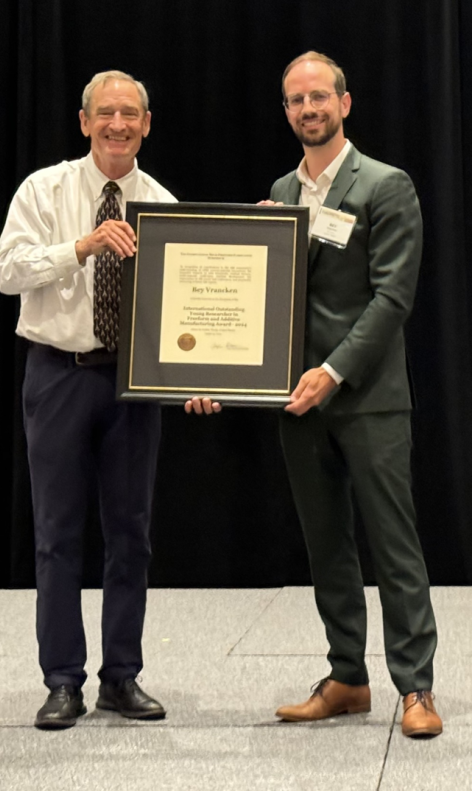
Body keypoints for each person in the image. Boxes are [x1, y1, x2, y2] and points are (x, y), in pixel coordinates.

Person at [187, 51, 441, 738]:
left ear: (345, 103)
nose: (309, 109)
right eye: (296, 100)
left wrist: (332, 370)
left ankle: (415, 687)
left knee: (394, 545)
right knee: (327, 544)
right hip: (295, 402)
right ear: (286, 110)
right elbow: (269, 301)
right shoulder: (283, 189)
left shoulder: (386, 186)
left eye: (320, 97)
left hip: (366, 396)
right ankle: (348, 678)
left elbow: (393, 296)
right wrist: (218, 365)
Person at [0, 70, 171, 730]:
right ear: (84, 120)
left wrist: (203, 371)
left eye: (130, 113)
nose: (118, 124)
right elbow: (4, 270)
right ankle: (62, 679)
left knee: (132, 534)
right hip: (58, 373)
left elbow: (183, 308)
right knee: (57, 535)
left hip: (133, 382)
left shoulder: (162, 203)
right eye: (106, 113)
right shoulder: (45, 190)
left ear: (147, 124)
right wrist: (81, 246)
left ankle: (121, 676)